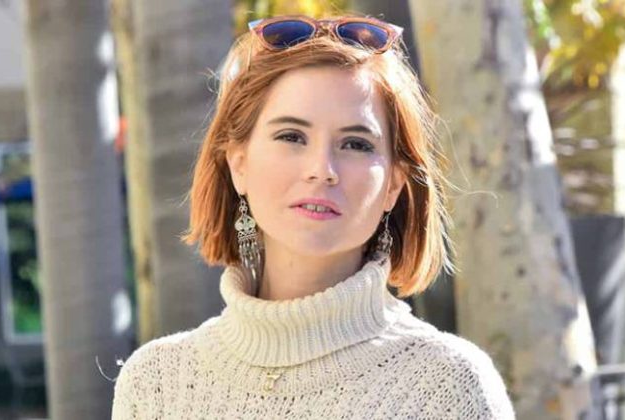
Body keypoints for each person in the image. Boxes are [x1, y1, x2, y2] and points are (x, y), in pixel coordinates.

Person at [111, 13, 516, 419]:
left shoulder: (449, 387)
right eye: (292, 136)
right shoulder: (156, 383)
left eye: (355, 144)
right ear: (238, 163)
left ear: (394, 183)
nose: (322, 169)